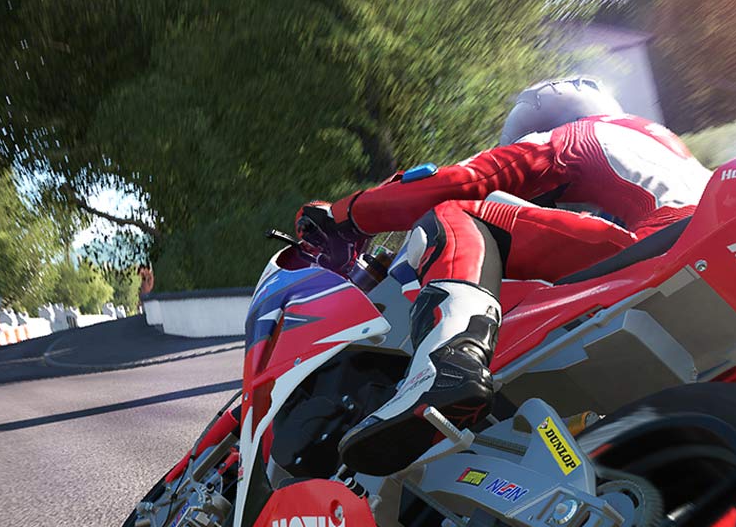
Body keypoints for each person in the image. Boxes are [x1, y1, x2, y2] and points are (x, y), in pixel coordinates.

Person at [301, 76, 711, 475]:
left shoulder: (576, 136)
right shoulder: (663, 147)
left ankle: (447, 365)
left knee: (451, 214)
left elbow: (465, 181)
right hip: (708, 266)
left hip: (659, 246)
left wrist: (344, 215)